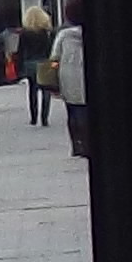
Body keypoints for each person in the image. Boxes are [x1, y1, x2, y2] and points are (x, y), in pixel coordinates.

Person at [56, 15, 90, 158]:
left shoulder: (64, 35)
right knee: (85, 110)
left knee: (72, 111)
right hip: (84, 75)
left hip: (68, 76)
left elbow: (55, 55)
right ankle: (87, 143)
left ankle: (76, 145)